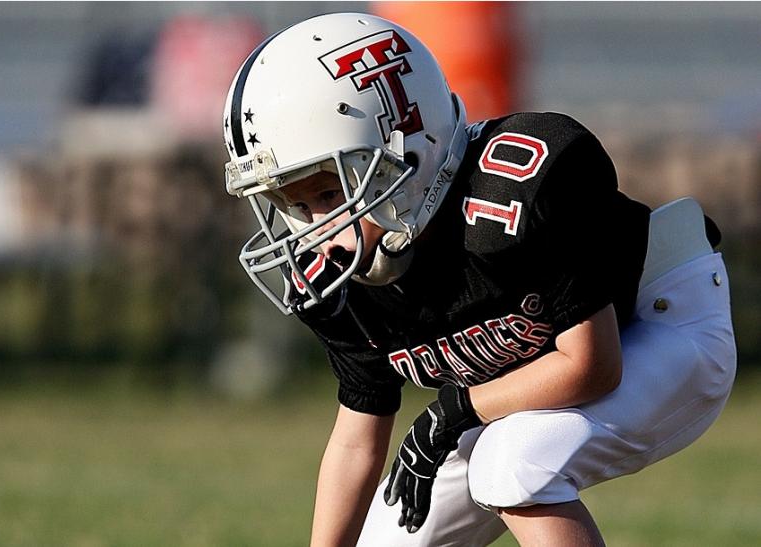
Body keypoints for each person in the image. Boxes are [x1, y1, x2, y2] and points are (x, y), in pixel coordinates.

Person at [222, 12, 736, 547]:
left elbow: (594, 367)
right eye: (293, 203)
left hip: (658, 320)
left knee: (509, 464)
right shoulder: (343, 272)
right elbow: (357, 438)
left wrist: (456, 410)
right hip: (524, 380)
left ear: (407, 154)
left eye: (329, 193)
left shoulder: (509, 197)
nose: (317, 227)